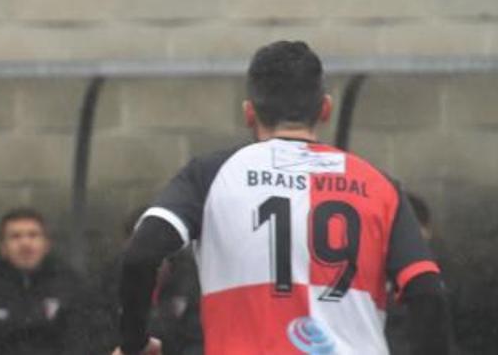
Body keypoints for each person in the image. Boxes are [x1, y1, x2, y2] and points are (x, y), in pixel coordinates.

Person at [114, 41, 451, 355]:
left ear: (249, 113)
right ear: (325, 109)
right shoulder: (379, 185)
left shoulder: (211, 175)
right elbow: (427, 290)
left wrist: (135, 343)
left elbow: (141, 253)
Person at [0, 208, 92, 355]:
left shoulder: (72, 287)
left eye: (33, 235)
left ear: (47, 245)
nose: (25, 243)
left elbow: (81, 342)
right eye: (15, 237)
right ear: (3, 248)